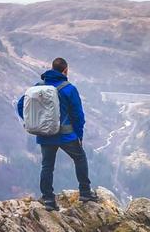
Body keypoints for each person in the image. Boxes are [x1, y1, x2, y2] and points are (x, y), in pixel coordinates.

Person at [16, 57, 99, 211]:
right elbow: (78, 115)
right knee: (80, 158)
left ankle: (48, 199)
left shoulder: (38, 87)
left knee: (47, 166)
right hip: (66, 135)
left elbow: (21, 105)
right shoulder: (69, 89)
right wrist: (79, 135)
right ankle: (85, 193)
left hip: (45, 135)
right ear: (65, 70)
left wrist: (34, 123)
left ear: (52, 68)